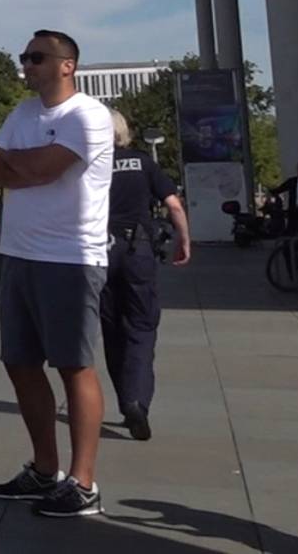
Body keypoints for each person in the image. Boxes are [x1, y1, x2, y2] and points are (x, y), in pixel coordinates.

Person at [0, 29, 115, 519]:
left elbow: (46, 169)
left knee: (73, 364)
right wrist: (24, 166)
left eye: (36, 57)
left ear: (67, 65)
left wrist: (22, 166)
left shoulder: (87, 115)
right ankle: (43, 469)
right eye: (24, 57)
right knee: (19, 361)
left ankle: (83, 482)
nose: (27, 65)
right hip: (19, 253)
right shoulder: (22, 114)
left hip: (71, 257)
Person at [100, 110, 191, 441]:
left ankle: (126, 400)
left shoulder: (90, 166)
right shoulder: (142, 162)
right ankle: (136, 399)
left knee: (111, 329)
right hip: (138, 249)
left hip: (101, 251)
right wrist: (184, 240)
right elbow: (174, 205)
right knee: (141, 326)